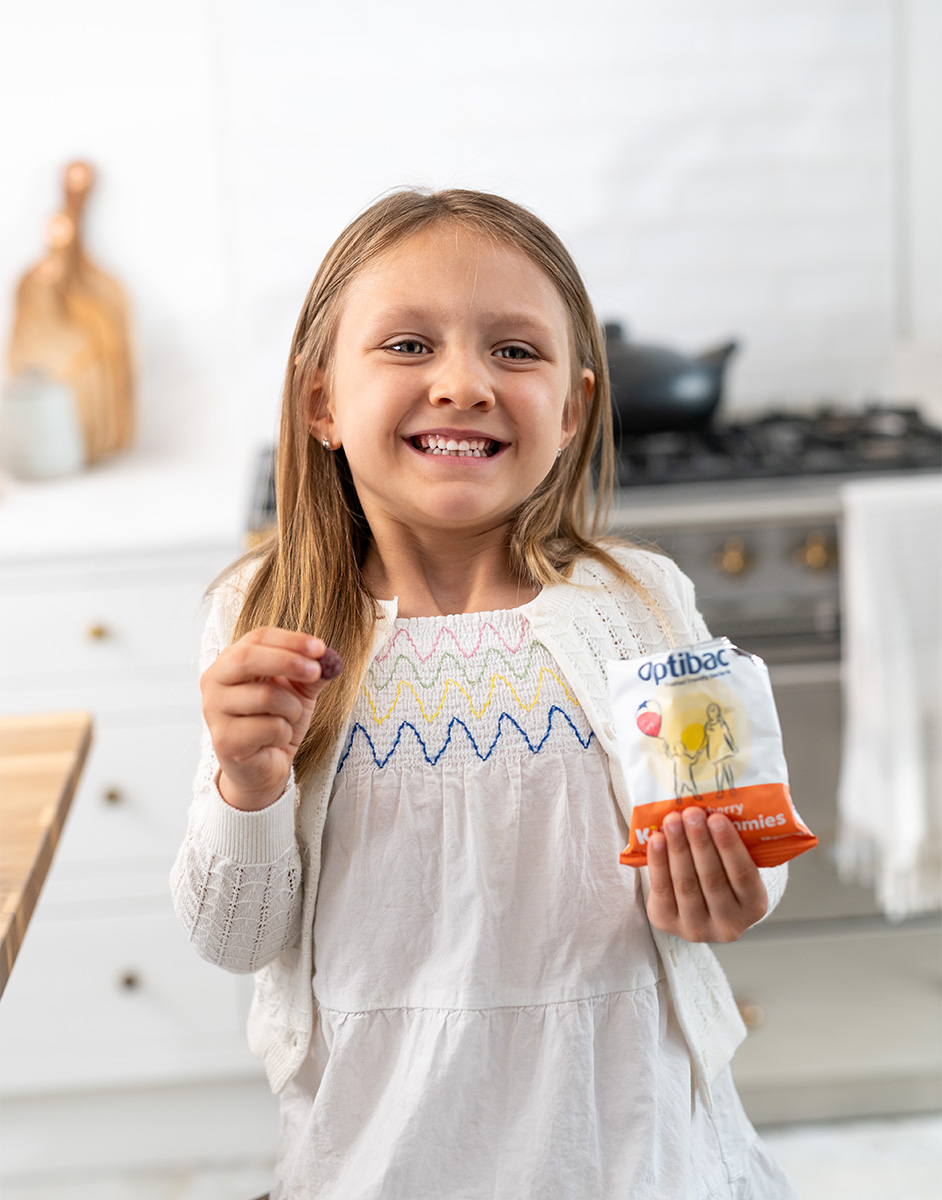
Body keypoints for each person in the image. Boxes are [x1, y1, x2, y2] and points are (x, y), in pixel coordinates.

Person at [171, 188, 797, 1199]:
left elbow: (740, 847)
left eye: (514, 350)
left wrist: (735, 888)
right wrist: (247, 786)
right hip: (378, 1165)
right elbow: (234, 937)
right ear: (322, 400)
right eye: (408, 345)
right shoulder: (264, 619)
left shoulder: (642, 604)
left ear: (572, 409)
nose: (463, 384)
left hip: (637, 1156)